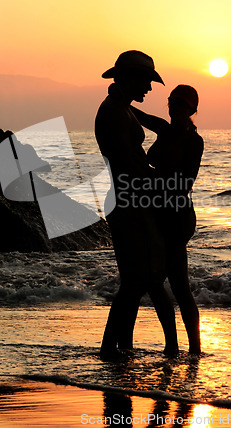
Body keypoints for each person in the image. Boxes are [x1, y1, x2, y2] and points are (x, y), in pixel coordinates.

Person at [95, 50, 178, 359]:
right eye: (146, 81)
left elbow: (152, 127)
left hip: (127, 198)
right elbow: (131, 165)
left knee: (135, 280)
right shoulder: (115, 113)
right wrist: (165, 181)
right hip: (130, 201)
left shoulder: (121, 107)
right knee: (142, 279)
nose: (150, 88)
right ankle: (111, 348)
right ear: (130, 79)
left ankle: (121, 347)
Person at [130, 85, 203, 354]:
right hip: (159, 212)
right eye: (172, 102)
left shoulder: (194, 141)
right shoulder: (164, 128)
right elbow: (136, 114)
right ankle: (174, 346)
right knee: (157, 281)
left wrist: (151, 179)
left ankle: (191, 347)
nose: (175, 107)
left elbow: (185, 182)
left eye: (182, 104)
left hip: (177, 215)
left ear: (191, 110)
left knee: (177, 285)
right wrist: (118, 96)